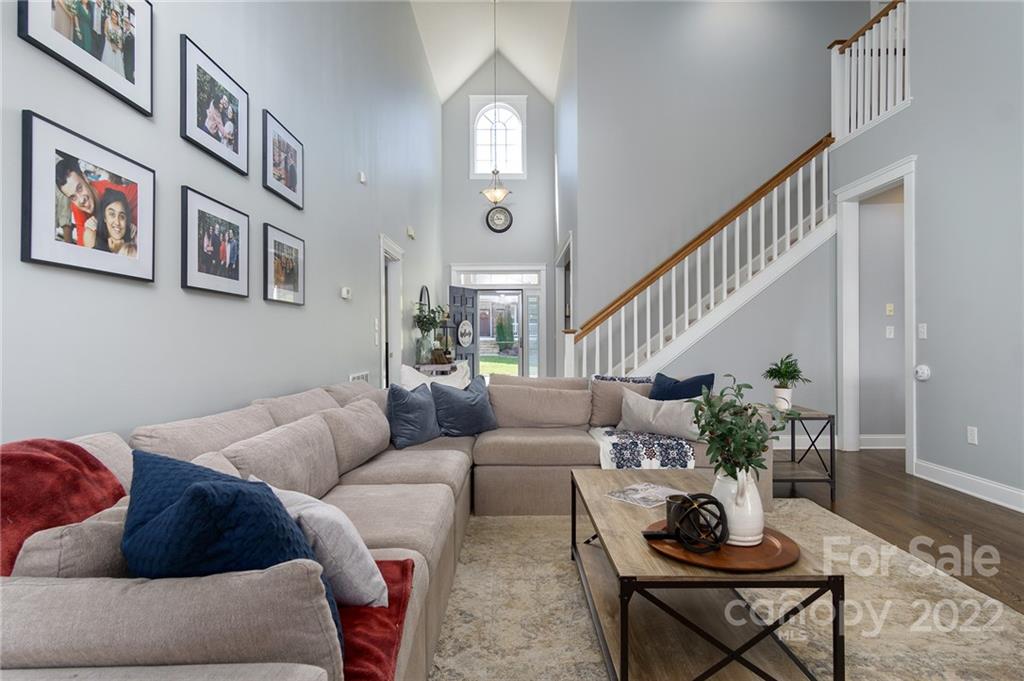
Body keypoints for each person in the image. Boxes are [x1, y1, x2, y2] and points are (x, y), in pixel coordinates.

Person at [56, 156, 137, 248]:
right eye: (73, 197)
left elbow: (143, 191)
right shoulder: (77, 206)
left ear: (85, 178)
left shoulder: (115, 193)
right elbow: (83, 247)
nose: (81, 200)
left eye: (79, 188)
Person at [93, 188, 137, 257]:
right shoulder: (95, 252)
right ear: (104, 217)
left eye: (122, 216)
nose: (117, 222)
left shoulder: (135, 249)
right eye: (112, 214)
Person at [101, 9, 125, 79]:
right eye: (112, 15)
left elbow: (120, 41)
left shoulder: (120, 29)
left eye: (115, 15)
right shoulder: (108, 21)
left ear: (118, 17)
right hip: (108, 46)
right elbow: (105, 32)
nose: (113, 17)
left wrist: (118, 46)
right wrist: (111, 43)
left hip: (117, 50)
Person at [122, 11, 135, 83]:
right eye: (125, 22)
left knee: (129, 77)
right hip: (122, 58)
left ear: (130, 24)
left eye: (127, 22)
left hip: (129, 61)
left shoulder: (132, 37)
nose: (126, 24)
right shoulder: (122, 33)